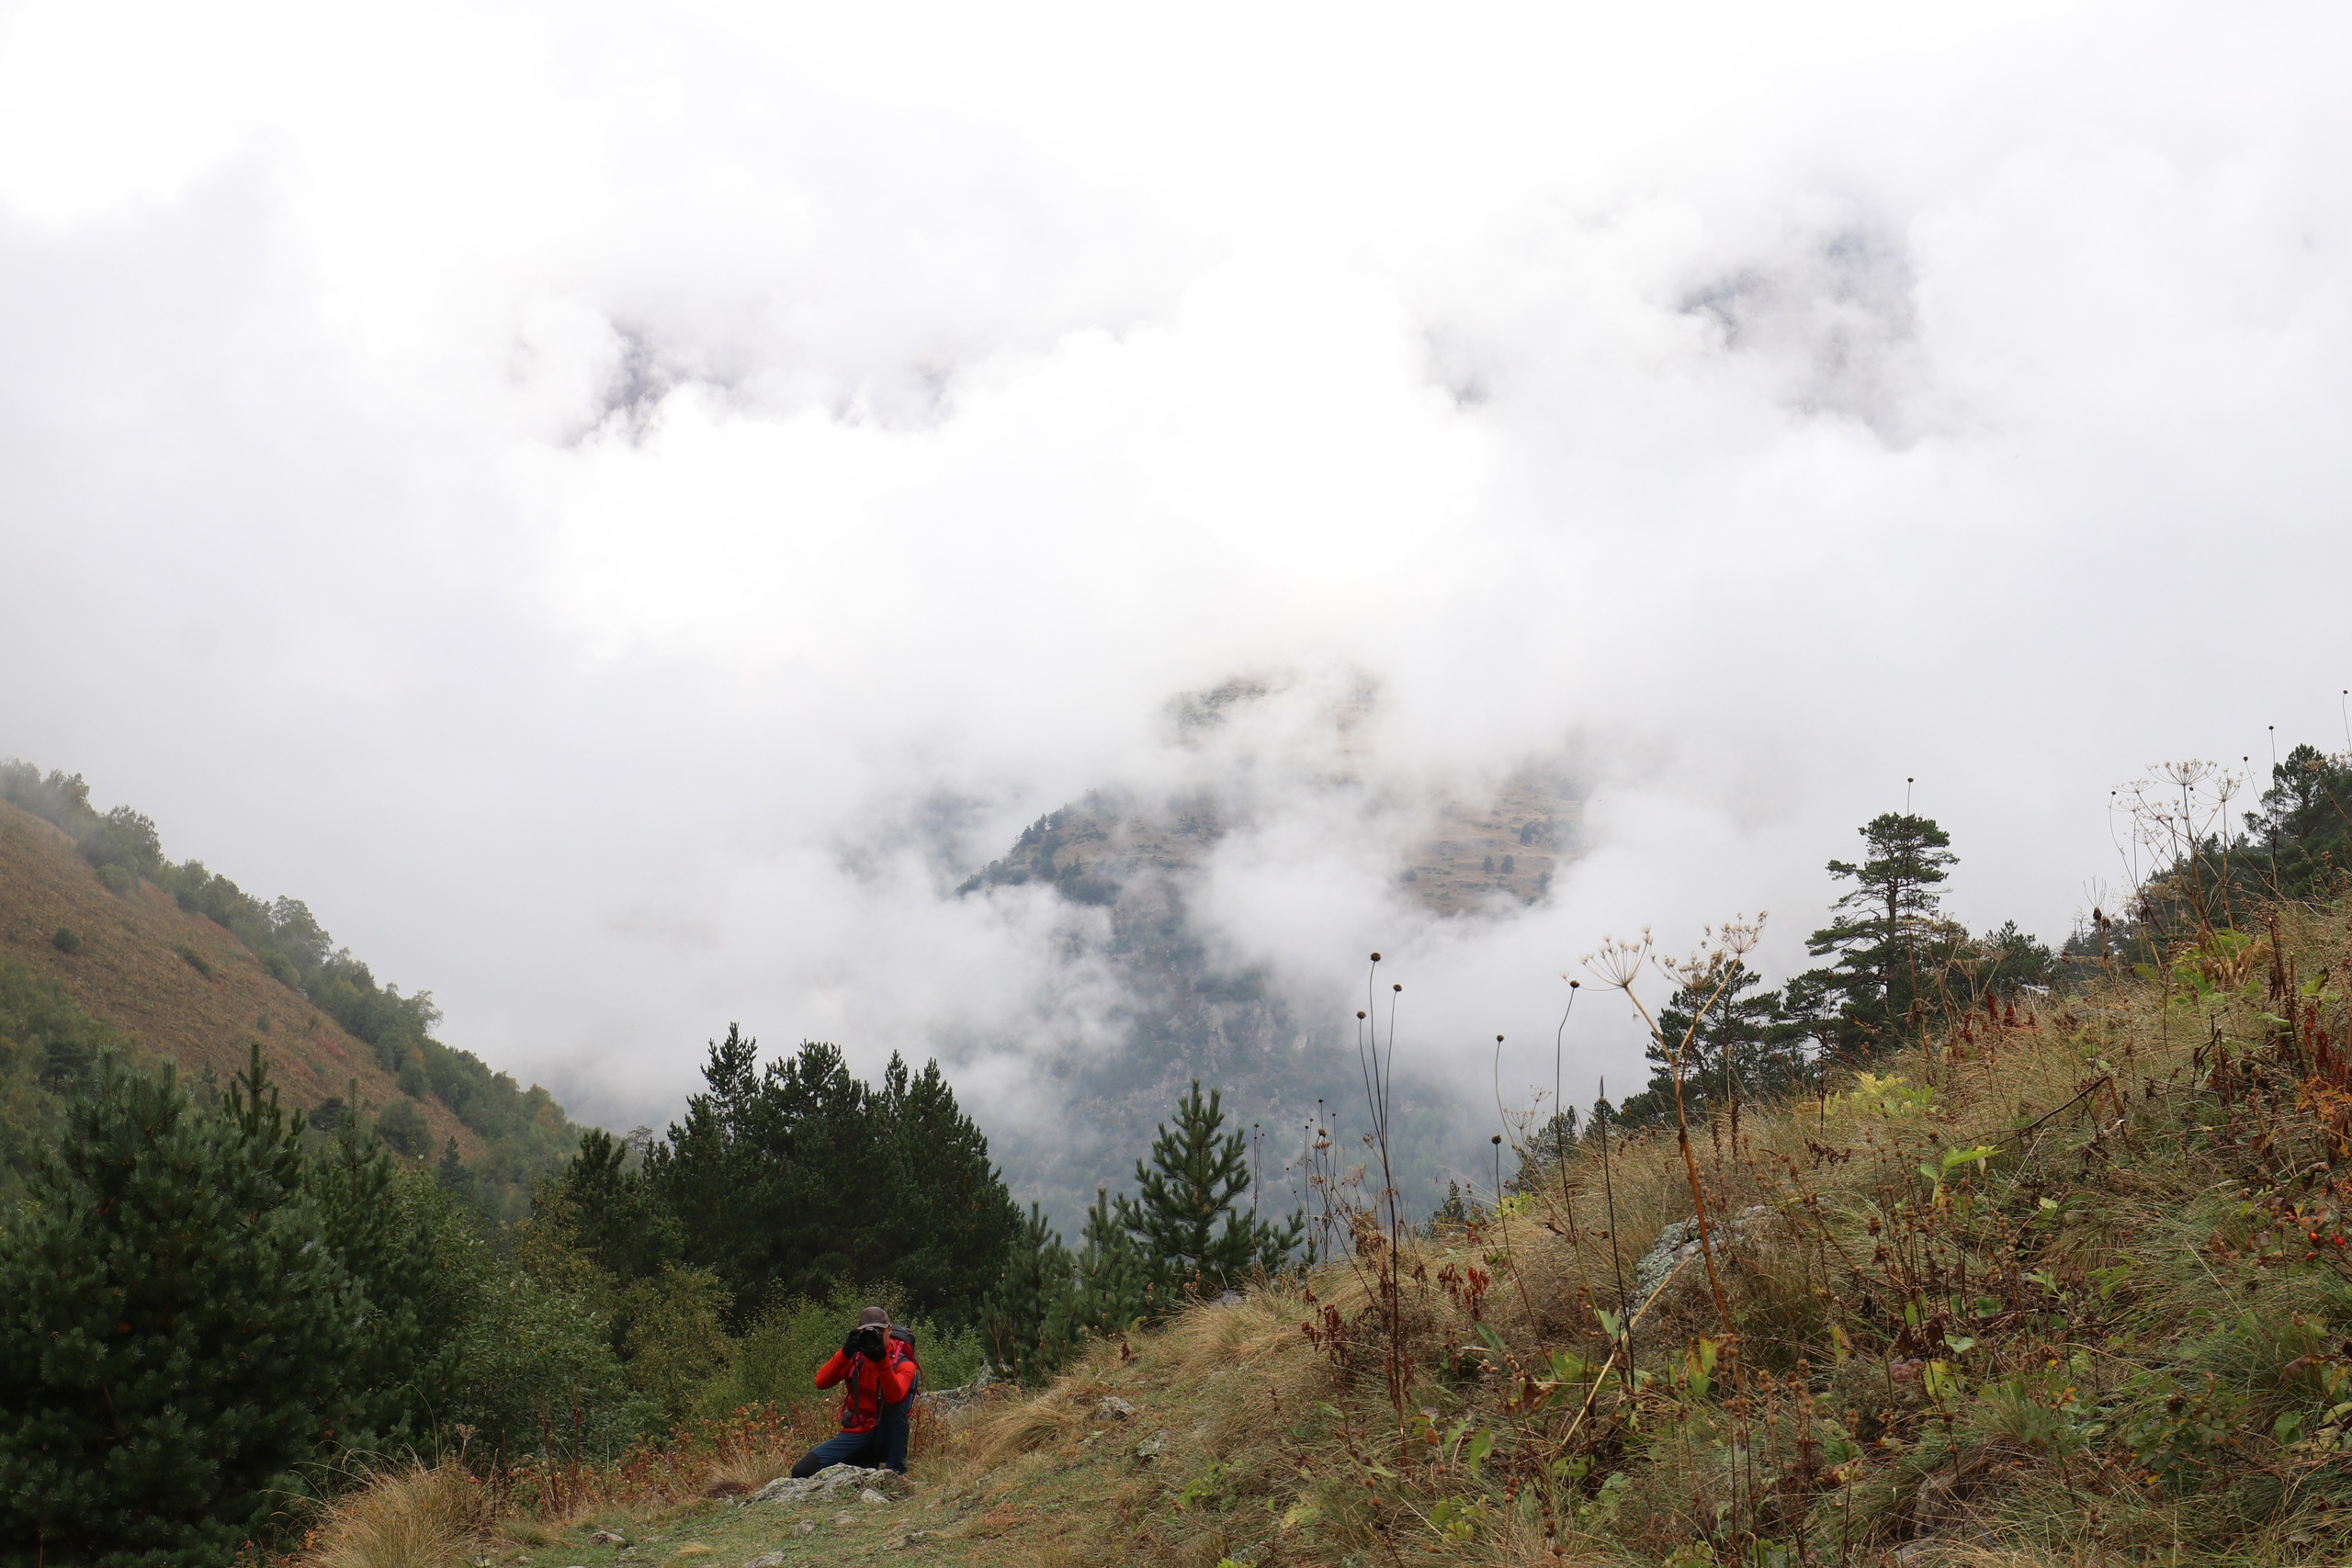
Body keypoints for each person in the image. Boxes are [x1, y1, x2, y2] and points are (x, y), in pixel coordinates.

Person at [788, 1304, 921, 1478]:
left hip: (886, 1438)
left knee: (895, 1408)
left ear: (889, 1330)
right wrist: (845, 1353)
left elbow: (895, 1397)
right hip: (857, 1433)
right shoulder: (855, 1357)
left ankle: (896, 1473)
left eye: (879, 1331)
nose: (874, 1336)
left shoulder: (904, 1365)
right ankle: (863, 1463)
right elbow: (821, 1382)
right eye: (867, 1332)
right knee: (801, 1471)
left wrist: (881, 1360)